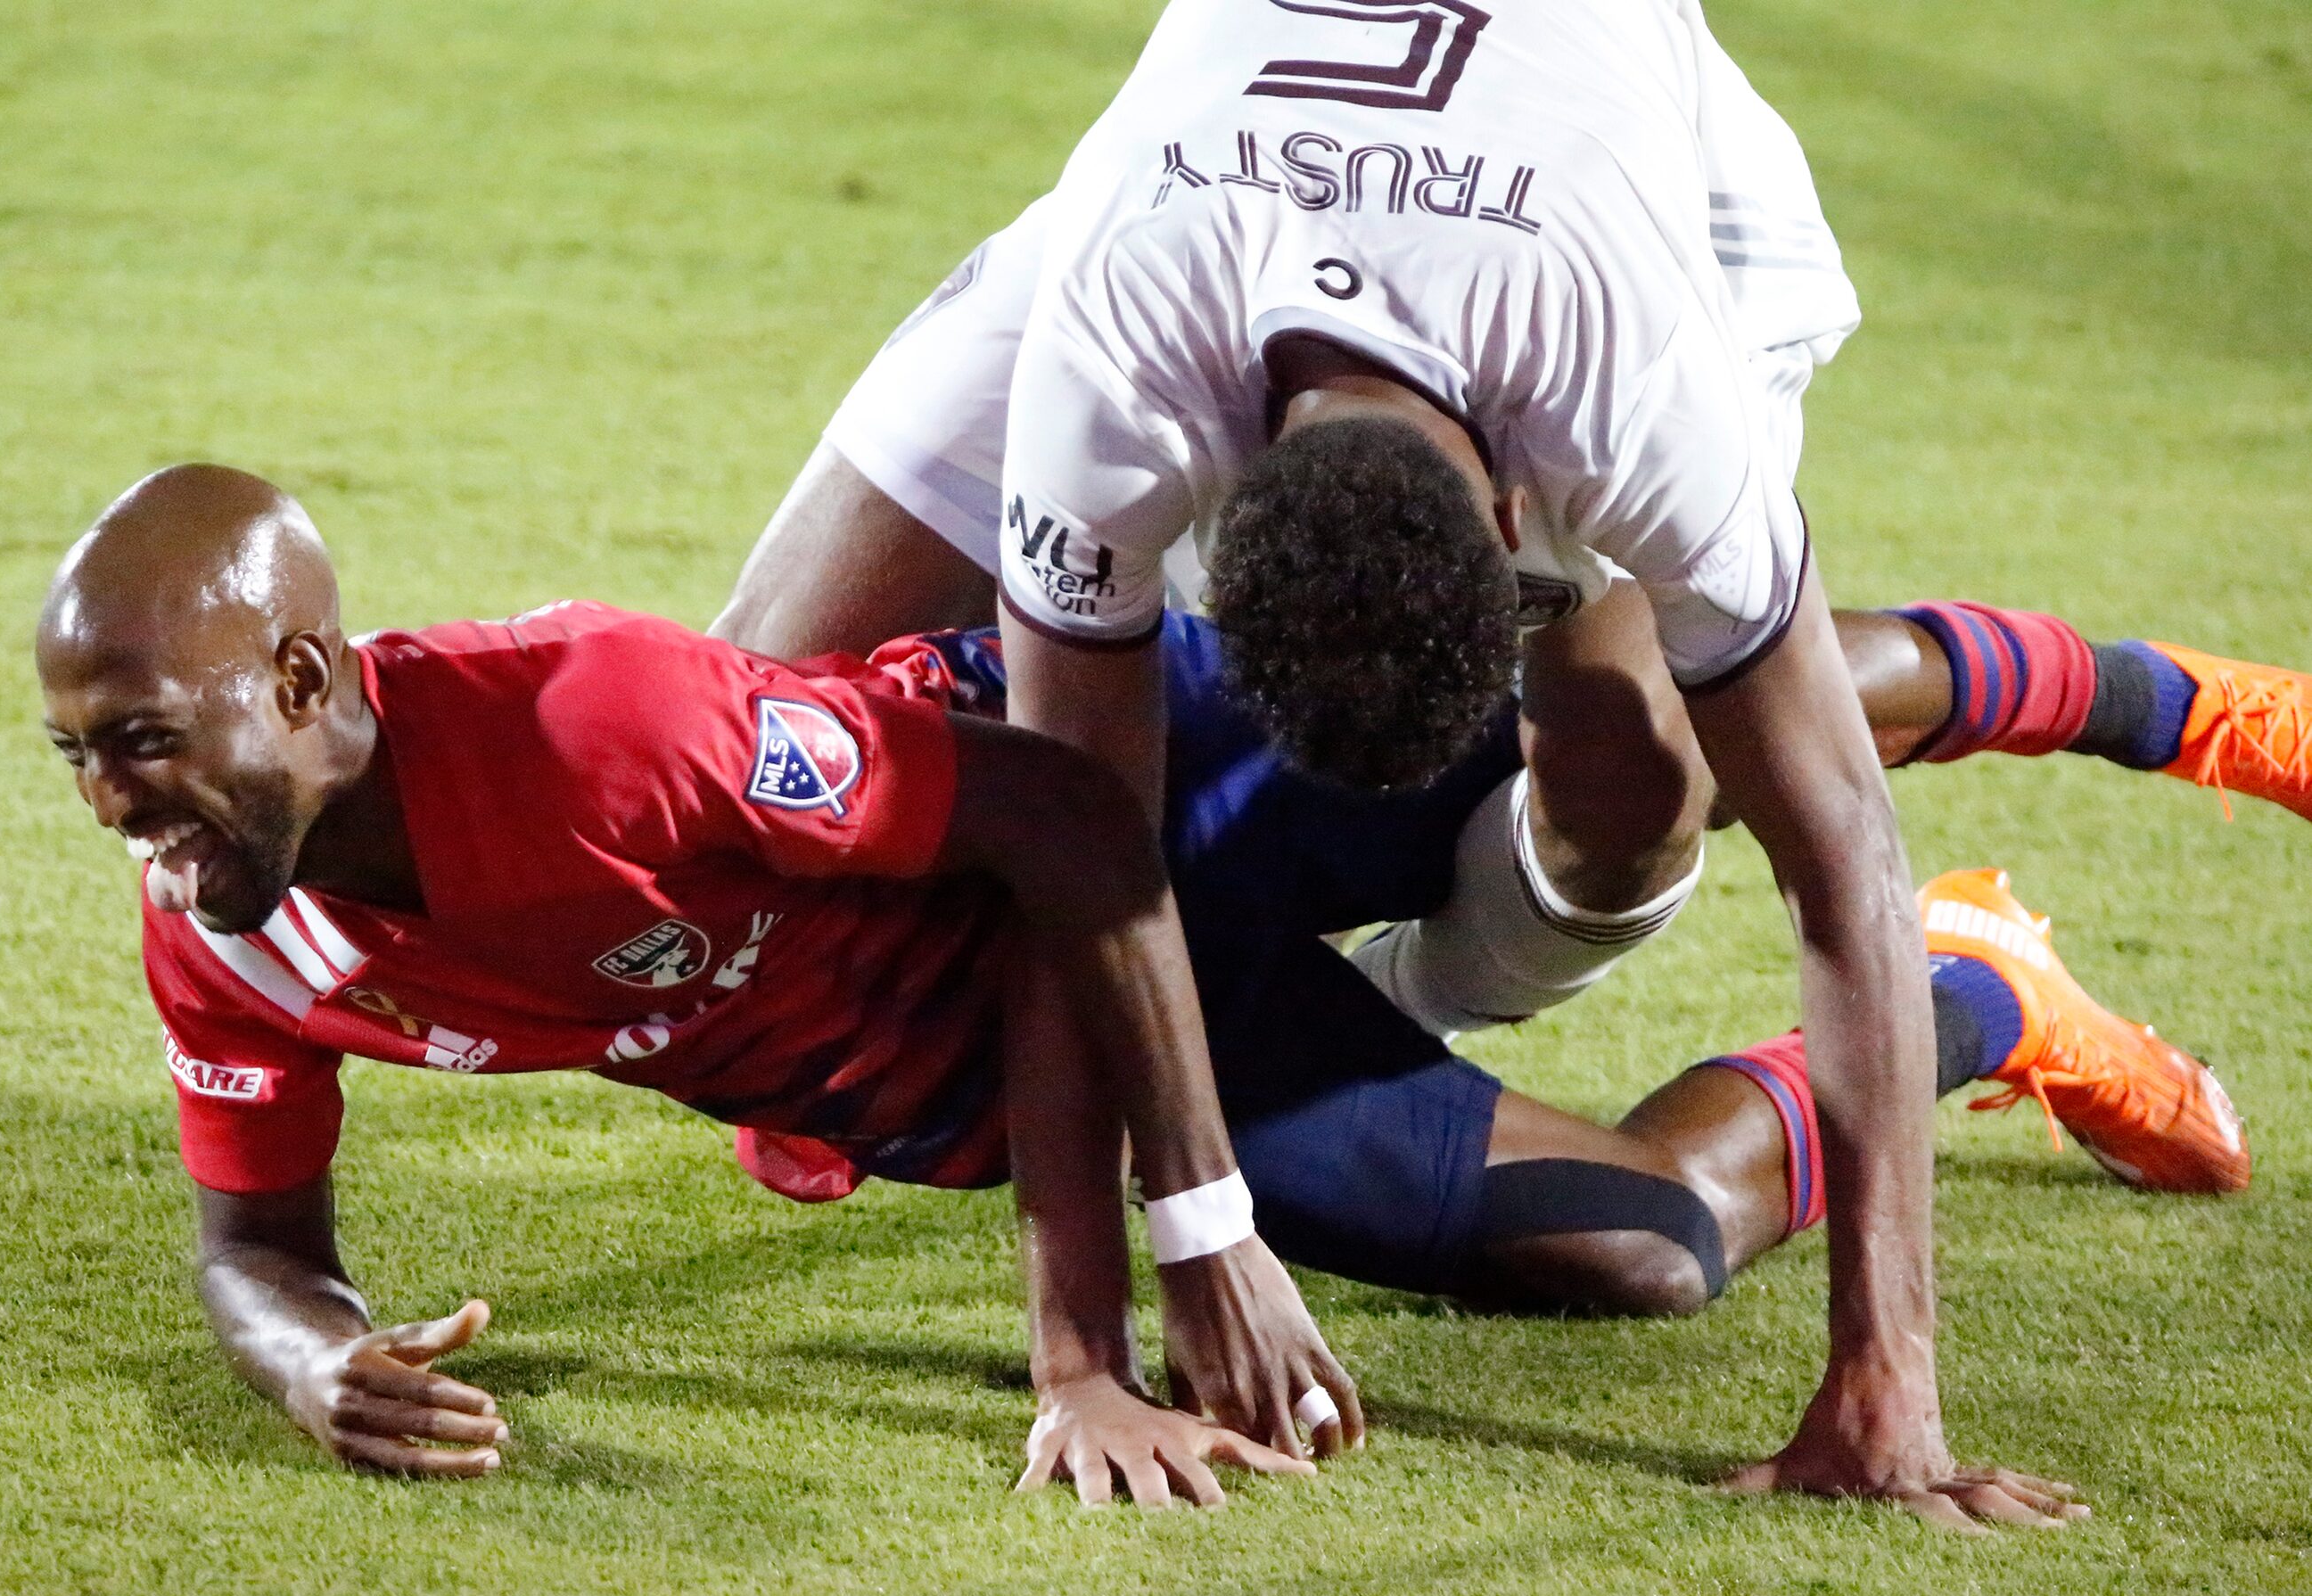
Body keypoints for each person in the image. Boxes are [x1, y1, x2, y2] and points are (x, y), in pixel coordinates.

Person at [712, 0, 2310, 1513]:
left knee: (1645, 779)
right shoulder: (1114, 358)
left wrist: (1887, 1376)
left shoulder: (1635, 383)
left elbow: (1841, 856)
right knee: (748, 691)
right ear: (1216, 509)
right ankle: (1953, 979)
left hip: (1628, 185)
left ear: (1519, 526)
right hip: (1206, 193)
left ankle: (2132, 708)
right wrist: (1109, 1329)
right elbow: (1078, 825)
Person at [39, 471, 2239, 1526]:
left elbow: (1060, 831)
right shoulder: (237, 926)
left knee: (1640, 735)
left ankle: (2135, 697)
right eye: (80, 762)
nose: (120, 808)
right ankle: (1973, 990)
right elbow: (253, 1242)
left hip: (1161, 789)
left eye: (144, 741)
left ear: (309, 680)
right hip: (1040, 1057)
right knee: (1644, 1252)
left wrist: (1155, 1286)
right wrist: (310, 1352)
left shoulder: (596, 725)